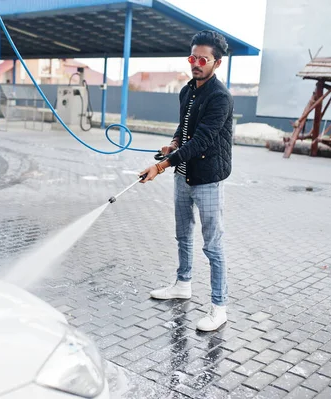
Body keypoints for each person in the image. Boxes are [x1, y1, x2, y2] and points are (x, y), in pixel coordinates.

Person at [138, 30, 234, 332]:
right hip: (183, 175)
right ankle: (183, 283)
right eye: (192, 57)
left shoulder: (220, 98)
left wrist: (161, 165)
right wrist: (172, 142)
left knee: (213, 245)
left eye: (203, 59)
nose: (196, 63)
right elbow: (186, 128)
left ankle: (219, 307)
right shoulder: (187, 90)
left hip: (207, 179)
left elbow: (203, 140)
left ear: (216, 63)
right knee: (182, 234)